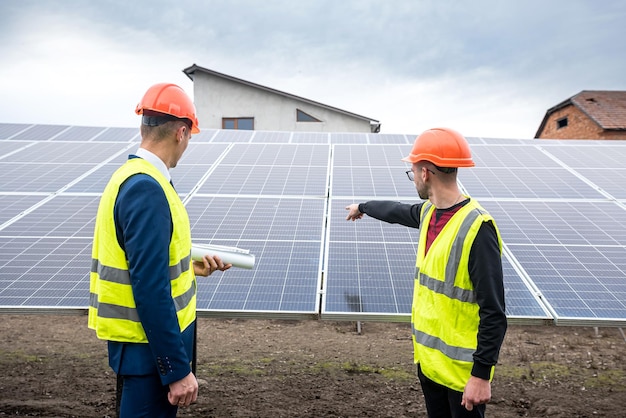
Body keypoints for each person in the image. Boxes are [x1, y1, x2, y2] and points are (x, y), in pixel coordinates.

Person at [88, 82, 231, 417]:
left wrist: (188, 268)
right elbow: (150, 287)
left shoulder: (130, 176)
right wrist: (176, 370)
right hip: (148, 354)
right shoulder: (147, 189)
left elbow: (143, 264)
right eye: (190, 137)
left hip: (142, 350)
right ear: (181, 133)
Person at [345, 127, 507, 418]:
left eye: (412, 170)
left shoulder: (477, 229)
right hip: (430, 365)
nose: (413, 177)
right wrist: (363, 207)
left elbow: (494, 311)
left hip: (462, 376)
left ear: (425, 173)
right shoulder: (429, 213)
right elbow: (395, 211)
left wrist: (481, 376)